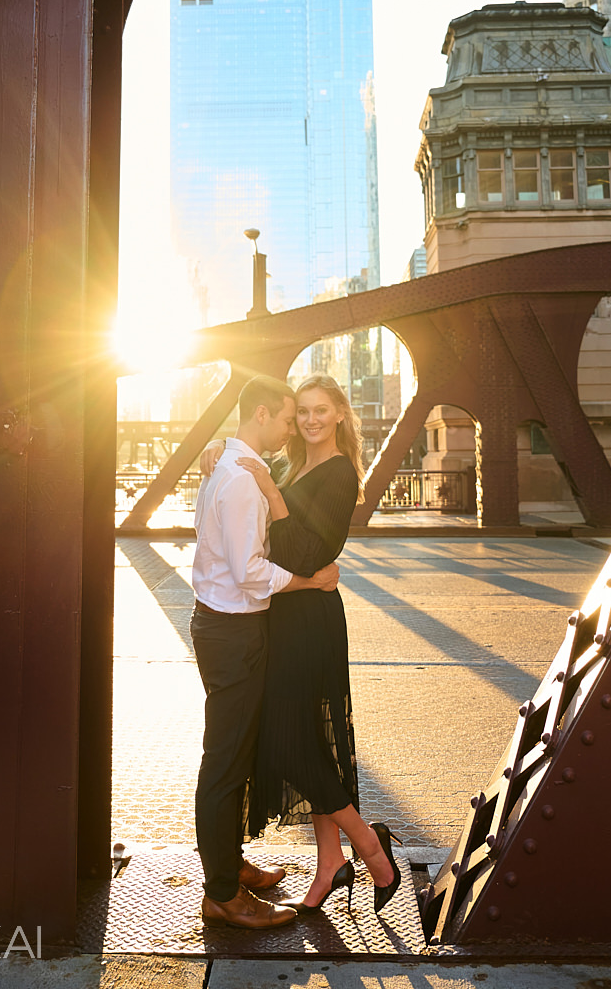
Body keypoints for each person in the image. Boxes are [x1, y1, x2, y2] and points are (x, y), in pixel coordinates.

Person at [204, 374, 402, 916]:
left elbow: (305, 553)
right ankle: (329, 861)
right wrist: (220, 445)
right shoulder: (293, 462)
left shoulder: (340, 474)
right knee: (310, 742)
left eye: (320, 410)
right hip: (280, 616)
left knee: (289, 743)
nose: (310, 420)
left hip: (308, 619)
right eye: (302, 413)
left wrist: (272, 495)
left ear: (341, 413)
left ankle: (367, 845)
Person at [191, 374, 341, 931]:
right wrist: (312, 581)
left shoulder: (236, 467)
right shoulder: (236, 480)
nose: (290, 428)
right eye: (285, 418)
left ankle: (230, 865)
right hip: (232, 632)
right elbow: (250, 574)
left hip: (230, 629)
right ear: (260, 414)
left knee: (238, 754)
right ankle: (223, 894)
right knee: (226, 764)